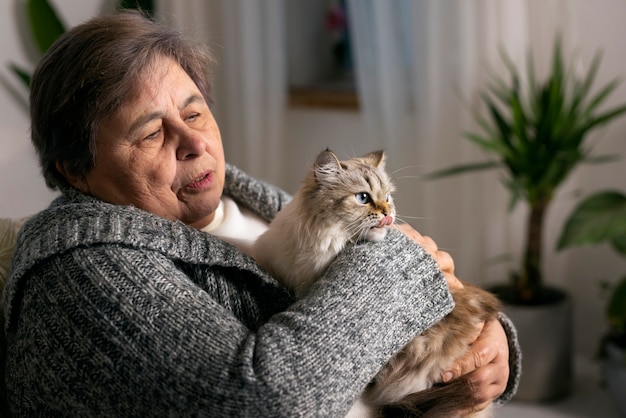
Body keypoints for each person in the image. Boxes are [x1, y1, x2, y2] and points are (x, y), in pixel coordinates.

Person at [0, 11, 520, 417]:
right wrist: (400, 271)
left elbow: (396, 314)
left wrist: (489, 341)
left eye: (195, 111)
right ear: (75, 169)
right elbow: (262, 405)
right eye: (152, 133)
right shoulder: (82, 275)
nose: (195, 143)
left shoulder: (255, 201)